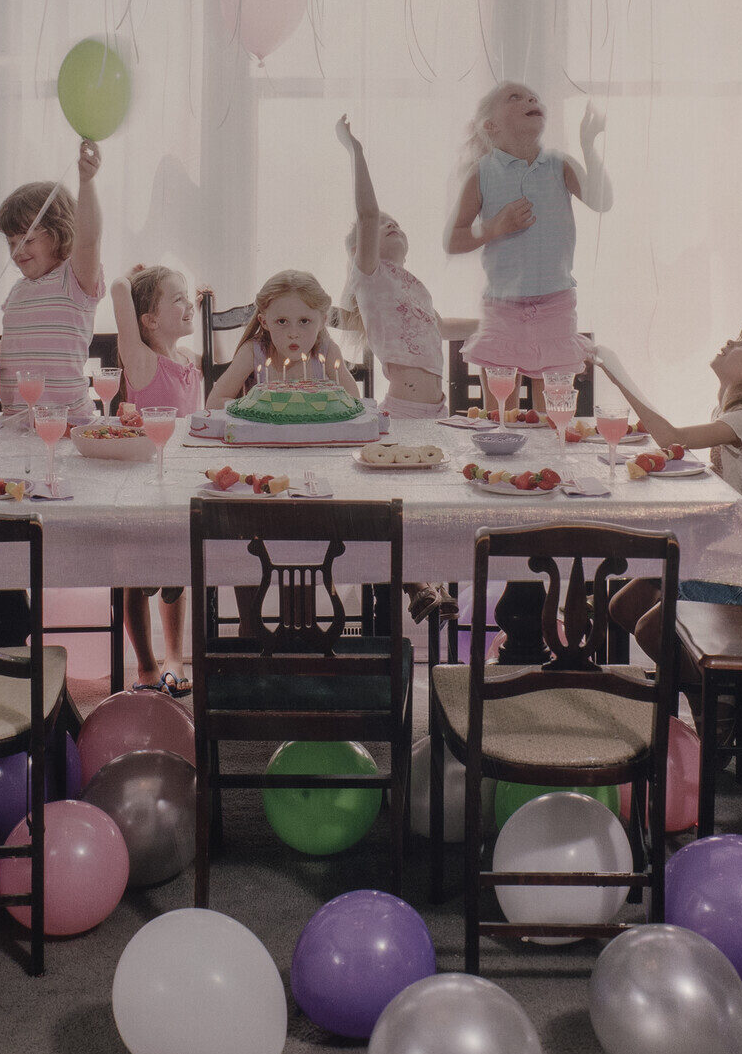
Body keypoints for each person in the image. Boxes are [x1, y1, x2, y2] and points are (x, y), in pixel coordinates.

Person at [592, 322, 742, 654]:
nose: (732, 342)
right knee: (624, 606)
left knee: (651, 629)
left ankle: (710, 702)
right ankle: (699, 686)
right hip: (728, 552)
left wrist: (616, 374)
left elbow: (672, 437)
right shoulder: (736, 413)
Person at [446, 82, 611, 415]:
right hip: (502, 309)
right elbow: (455, 239)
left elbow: (601, 200)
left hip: (556, 304)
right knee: (498, 414)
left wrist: (588, 144)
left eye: (533, 95)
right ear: (490, 126)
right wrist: (493, 228)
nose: (531, 98)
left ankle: (552, 465)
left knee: (553, 414)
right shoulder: (482, 173)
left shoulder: (558, 164)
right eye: (515, 97)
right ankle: (499, 466)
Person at [0, 140, 107, 414]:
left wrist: (87, 181)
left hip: (67, 424)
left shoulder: (74, 280)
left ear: (60, 232)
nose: (17, 250)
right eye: (11, 242)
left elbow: (89, 239)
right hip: (16, 423)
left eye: (28, 240)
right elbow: (15, 352)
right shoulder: (18, 292)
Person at [333, 116, 477, 420]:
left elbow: (441, 327)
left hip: (438, 411)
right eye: (383, 224)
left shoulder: (413, 287)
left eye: (395, 222)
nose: (391, 223)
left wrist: (492, 324)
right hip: (405, 412)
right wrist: (355, 150)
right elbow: (368, 214)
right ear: (360, 249)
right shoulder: (371, 276)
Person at [108, 264, 207, 691]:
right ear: (148, 320)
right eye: (178, 299)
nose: (189, 306)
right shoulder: (142, 360)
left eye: (188, 297)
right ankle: (145, 664)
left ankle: (173, 655)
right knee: (135, 572)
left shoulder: (190, 360)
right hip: (141, 484)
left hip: (181, 483)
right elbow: (116, 291)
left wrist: (187, 297)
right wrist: (127, 281)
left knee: (175, 571)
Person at [204, 270, 358, 408]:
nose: (293, 333)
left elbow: (355, 401)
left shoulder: (327, 352)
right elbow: (214, 402)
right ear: (264, 322)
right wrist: (258, 406)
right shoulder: (254, 352)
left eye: (304, 321)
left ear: (322, 321)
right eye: (282, 321)